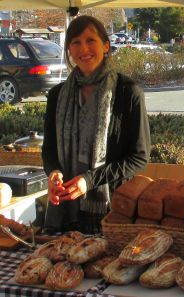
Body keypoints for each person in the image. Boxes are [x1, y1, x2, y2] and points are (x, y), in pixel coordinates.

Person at [42, 15, 151, 234]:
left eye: (90, 40)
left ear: (106, 45)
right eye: (76, 42)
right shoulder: (57, 96)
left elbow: (139, 157)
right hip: (66, 211)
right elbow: (49, 149)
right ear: (69, 50)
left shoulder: (127, 93)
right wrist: (53, 171)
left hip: (113, 212)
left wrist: (90, 180)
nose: (84, 49)